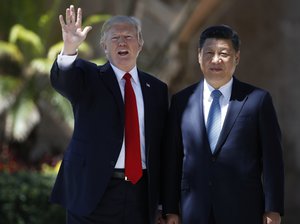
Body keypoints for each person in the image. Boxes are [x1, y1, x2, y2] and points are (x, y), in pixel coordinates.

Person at [50, 5, 169, 224]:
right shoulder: (89, 76)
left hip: (140, 195)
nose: (122, 42)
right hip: (93, 192)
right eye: (115, 38)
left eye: (129, 37)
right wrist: (69, 48)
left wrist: (163, 203)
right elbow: (63, 80)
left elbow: (161, 148)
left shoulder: (157, 89)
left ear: (140, 44)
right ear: (104, 46)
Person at [162, 25, 284, 224]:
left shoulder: (257, 100)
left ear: (236, 57)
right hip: (193, 209)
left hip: (243, 209)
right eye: (209, 53)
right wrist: (170, 209)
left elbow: (272, 160)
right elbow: (172, 159)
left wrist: (273, 209)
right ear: (199, 56)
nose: (216, 59)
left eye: (224, 53)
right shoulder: (181, 101)